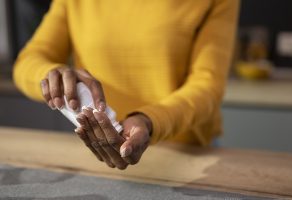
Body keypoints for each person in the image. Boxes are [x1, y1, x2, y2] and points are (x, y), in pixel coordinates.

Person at [13, 0, 239, 170]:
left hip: (186, 156)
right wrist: (52, 77)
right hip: (98, 153)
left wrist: (149, 121)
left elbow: (207, 85)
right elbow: (28, 61)